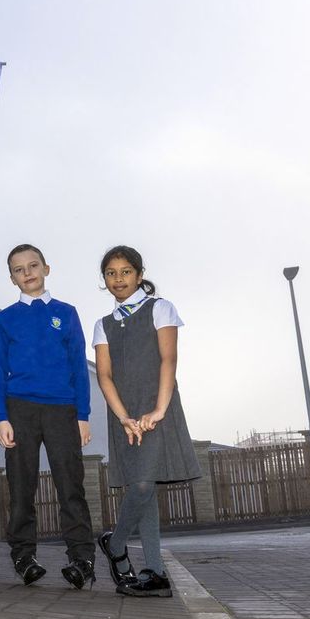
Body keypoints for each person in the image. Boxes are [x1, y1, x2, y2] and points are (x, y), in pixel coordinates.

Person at [92, 245, 201, 597]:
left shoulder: (160, 308)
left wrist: (158, 410)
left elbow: (168, 360)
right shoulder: (103, 325)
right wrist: (123, 417)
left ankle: (116, 543)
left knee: (142, 485)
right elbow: (105, 377)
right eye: (111, 273)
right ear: (104, 279)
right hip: (124, 416)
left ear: (139, 274)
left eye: (125, 271)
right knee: (144, 487)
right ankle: (154, 572)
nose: (118, 278)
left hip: (158, 409)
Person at [0, 244, 95, 589]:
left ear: (47, 268)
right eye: (19, 269)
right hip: (20, 408)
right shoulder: (5, 319)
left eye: (33, 265)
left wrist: (83, 414)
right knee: (22, 486)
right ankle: (23, 556)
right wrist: (1, 418)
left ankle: (82, 559)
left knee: (70, 485)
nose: (27, 273)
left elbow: (79, 367)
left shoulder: (66, 313)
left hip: (62, 409)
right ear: (11, 278)